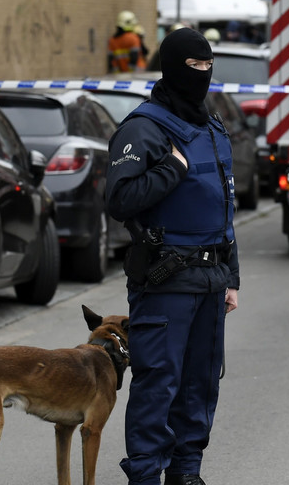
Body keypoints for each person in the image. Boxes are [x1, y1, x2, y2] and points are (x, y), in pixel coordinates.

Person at [105, 28, 240, 485]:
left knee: (201, 384)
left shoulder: (211, 124)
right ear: (172, 67)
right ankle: (144, 476)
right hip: (165, 279)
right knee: (157, 386)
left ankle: (187, 473)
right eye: (194, 67)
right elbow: (120, 200)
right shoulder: (144, 128)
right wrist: (172, 169)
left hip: (211, 279)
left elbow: (224, 205)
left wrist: (232, 277)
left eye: (208, 67)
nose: (202, 75)